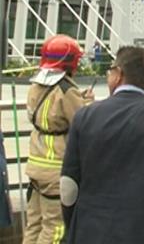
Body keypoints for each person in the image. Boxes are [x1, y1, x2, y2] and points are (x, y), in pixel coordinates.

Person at [60, 46, 144, 243]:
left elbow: (68, 185)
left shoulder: (84, 116)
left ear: (118, 74)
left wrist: (73, 221)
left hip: (89, 229)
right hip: (142, 230)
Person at [24, 34, 93, 244]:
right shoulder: (66, 89)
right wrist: (87, 102)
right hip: (55, 169)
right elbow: (82, 122)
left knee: (33, 224)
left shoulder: (35, 85)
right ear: (71, 62)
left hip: (35, 164)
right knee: (54, 229)